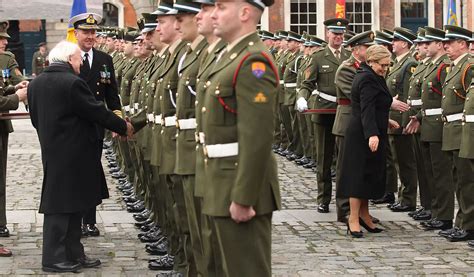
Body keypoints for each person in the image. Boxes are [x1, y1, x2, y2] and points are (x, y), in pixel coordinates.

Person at [27, 41, 133, 273]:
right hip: (73, 151)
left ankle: (74, 253)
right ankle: (53, 258)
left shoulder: (37, 83)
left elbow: (35, 119)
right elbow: (96, 110)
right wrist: (123, 126)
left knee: (76, 204)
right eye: (79, 59)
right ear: (68, 59)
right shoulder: (72, 83)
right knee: (59, 206)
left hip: (55, 150)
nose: (82, 63)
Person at [199, 0, 281, 276]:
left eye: (221, 7)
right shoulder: (229, 56)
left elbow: (257, 136)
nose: (214, 13)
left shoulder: (253, 62)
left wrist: (244, 197)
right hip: (221, 181)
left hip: (238, 187)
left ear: (245, 13)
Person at [70, 12, 123, 237]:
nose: (90, 36)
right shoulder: (67, 57)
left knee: (92, 171)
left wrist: (117, 120)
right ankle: (74, 219)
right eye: (86, 32)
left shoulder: (104, 59)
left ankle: (89, 221)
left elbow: (112, 94)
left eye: (93, 32)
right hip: (72, 125)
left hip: (94, 125)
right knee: (73, 172)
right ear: (76, 33)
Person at [338, 45, 399, 238]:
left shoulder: (373, 75)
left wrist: (385, 120)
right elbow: (365, 108)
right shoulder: (366, 78)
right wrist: (372, 134)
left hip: (370, 129)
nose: (385, 69)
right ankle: (353, 218)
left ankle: (364, 215)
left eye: (388, 65)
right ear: (371, 61)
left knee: (368, 175)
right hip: (362, 135)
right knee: (358, 177)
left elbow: (375, 106)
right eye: (383, 65)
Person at [299, 18, 351, 214]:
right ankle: (323, 198)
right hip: (323, 112)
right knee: (324, 159)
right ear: (327, 34)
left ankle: (344, 200)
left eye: (341, 34)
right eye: (334, 33)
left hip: (344, 112)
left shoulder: (349, 55)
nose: (338, 37)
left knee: (344, 159)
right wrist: (302, 98)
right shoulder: (318, 56)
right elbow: (307, 84)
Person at [0, 20, 28, 242]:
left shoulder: (6, 58)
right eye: (0, 39)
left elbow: (7, 83)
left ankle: (1, 223)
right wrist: (15, 98)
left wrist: (12, 88)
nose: (4, 43)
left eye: (4, 39)